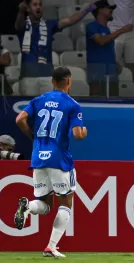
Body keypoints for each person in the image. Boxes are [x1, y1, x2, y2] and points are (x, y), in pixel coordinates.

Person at [13, 67, 88, 258]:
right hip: (59, 159)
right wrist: (84, 131)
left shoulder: (39, 100)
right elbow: (78, 135)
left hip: (38, 157)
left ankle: (27, 207)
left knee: (44, 205)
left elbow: (20, 119)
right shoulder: (72, 104)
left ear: (52, 81)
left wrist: (33, 137)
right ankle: (51, 246)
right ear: (69, 82)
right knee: (66, 203)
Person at [15, 0, 93, 96]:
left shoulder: (49, 24)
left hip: (47, 77)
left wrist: (85, 11)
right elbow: (18, 25)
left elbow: (69, 21)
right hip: (27, 78)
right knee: (30, 111)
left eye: (40, 4)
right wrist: (21, 11)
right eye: (35, 5)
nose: (38, 7)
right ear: (28, 9)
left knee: (49, 110)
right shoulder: (23, 25)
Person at [86, 0, 134, 97]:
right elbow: (101, 41)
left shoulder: (107, 29)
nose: (111, 11)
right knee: (98, 102)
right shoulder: (92, 26)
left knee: (113, 100)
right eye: (109, 8)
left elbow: (105, 50)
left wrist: (114, 64)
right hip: (97, 72)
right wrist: (122, 30)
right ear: (100, 10)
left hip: (110, 72)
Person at [106, 0, 134, 81]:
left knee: (133, 65)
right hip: (114, 30)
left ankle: (133, 88)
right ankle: (113, 90)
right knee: (112, 64)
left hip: (132, 30)